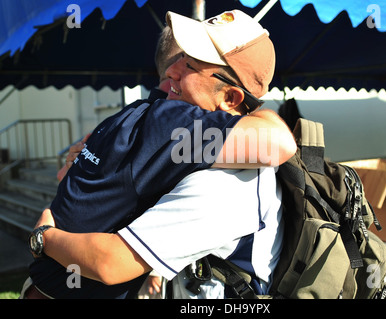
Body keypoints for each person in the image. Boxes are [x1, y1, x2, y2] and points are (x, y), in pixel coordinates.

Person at [23, 10, 295, 299]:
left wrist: (43, 238)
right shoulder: (182, 138)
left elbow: (110, 263)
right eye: (179, 59)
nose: (171, 72)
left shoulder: (226, 181)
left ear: (230, 98)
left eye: (190, 66)